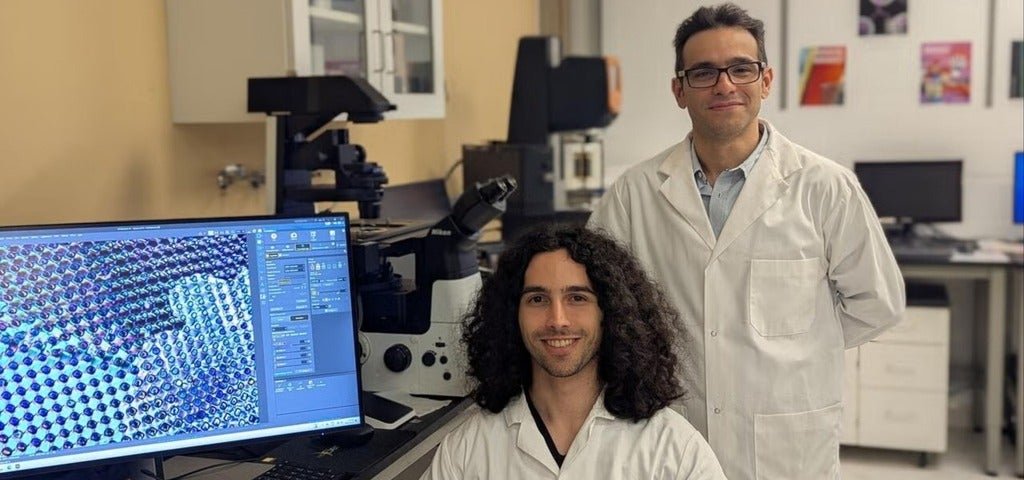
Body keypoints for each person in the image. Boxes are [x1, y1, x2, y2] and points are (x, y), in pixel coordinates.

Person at [588, 3, 906, 479]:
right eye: (703, 72)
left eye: (741, 68)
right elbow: (598, 301)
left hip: (787, 443)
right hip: (675, 433)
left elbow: (878, 303)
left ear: (766, 80)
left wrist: (802, 348)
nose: (724, 84)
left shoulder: (824, 187)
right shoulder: (634, 194)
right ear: (679, 89)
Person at [421, 223, 726, 479]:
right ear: (513, 315)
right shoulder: (466, 451)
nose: (557, 320)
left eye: (577, 298)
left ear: (609, 312)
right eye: (537, 299)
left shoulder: (673, 450)